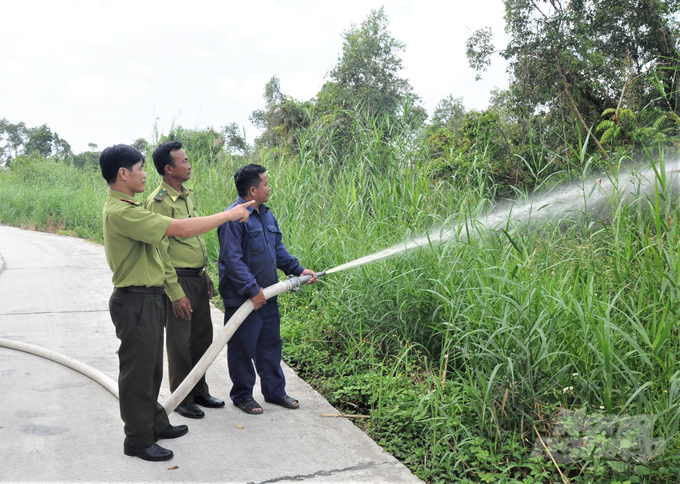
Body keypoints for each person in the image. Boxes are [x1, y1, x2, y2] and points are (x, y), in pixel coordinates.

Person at [100, 144, 253, 461]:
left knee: (151, 371)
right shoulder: (122, 212)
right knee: (138, 375)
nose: (144, 174)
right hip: (135, 300)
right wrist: (228, 215)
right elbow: (180, 229)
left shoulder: (133, 207)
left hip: (148, 297)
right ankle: (138, 440)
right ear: (123, 173)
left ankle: (154, 422)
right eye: (140, 168)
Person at [217, 164, 317, 415]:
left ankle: (275, 392)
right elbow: (232, 260)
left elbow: (277, 250)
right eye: (265, 184)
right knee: (242, 347)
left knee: (270, 344)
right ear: (253, 189)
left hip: (268, 294)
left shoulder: (267, 215)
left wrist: (297, 269)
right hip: (243, 298)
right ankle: (242, 395)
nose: (269, 187)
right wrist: (252, 290)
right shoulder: (234, 218)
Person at [145, 141, 223, 420]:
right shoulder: (158, 202)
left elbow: (194, 238)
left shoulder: (186, 194)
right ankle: (182, 396)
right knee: (180, 342)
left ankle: (199, 390)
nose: (189, 165)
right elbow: (160, 251)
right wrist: (175, 292)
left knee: (203, 337)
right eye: (184, 161)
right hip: (178, 280)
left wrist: (205, 273)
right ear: (168, 168)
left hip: (197, 277)